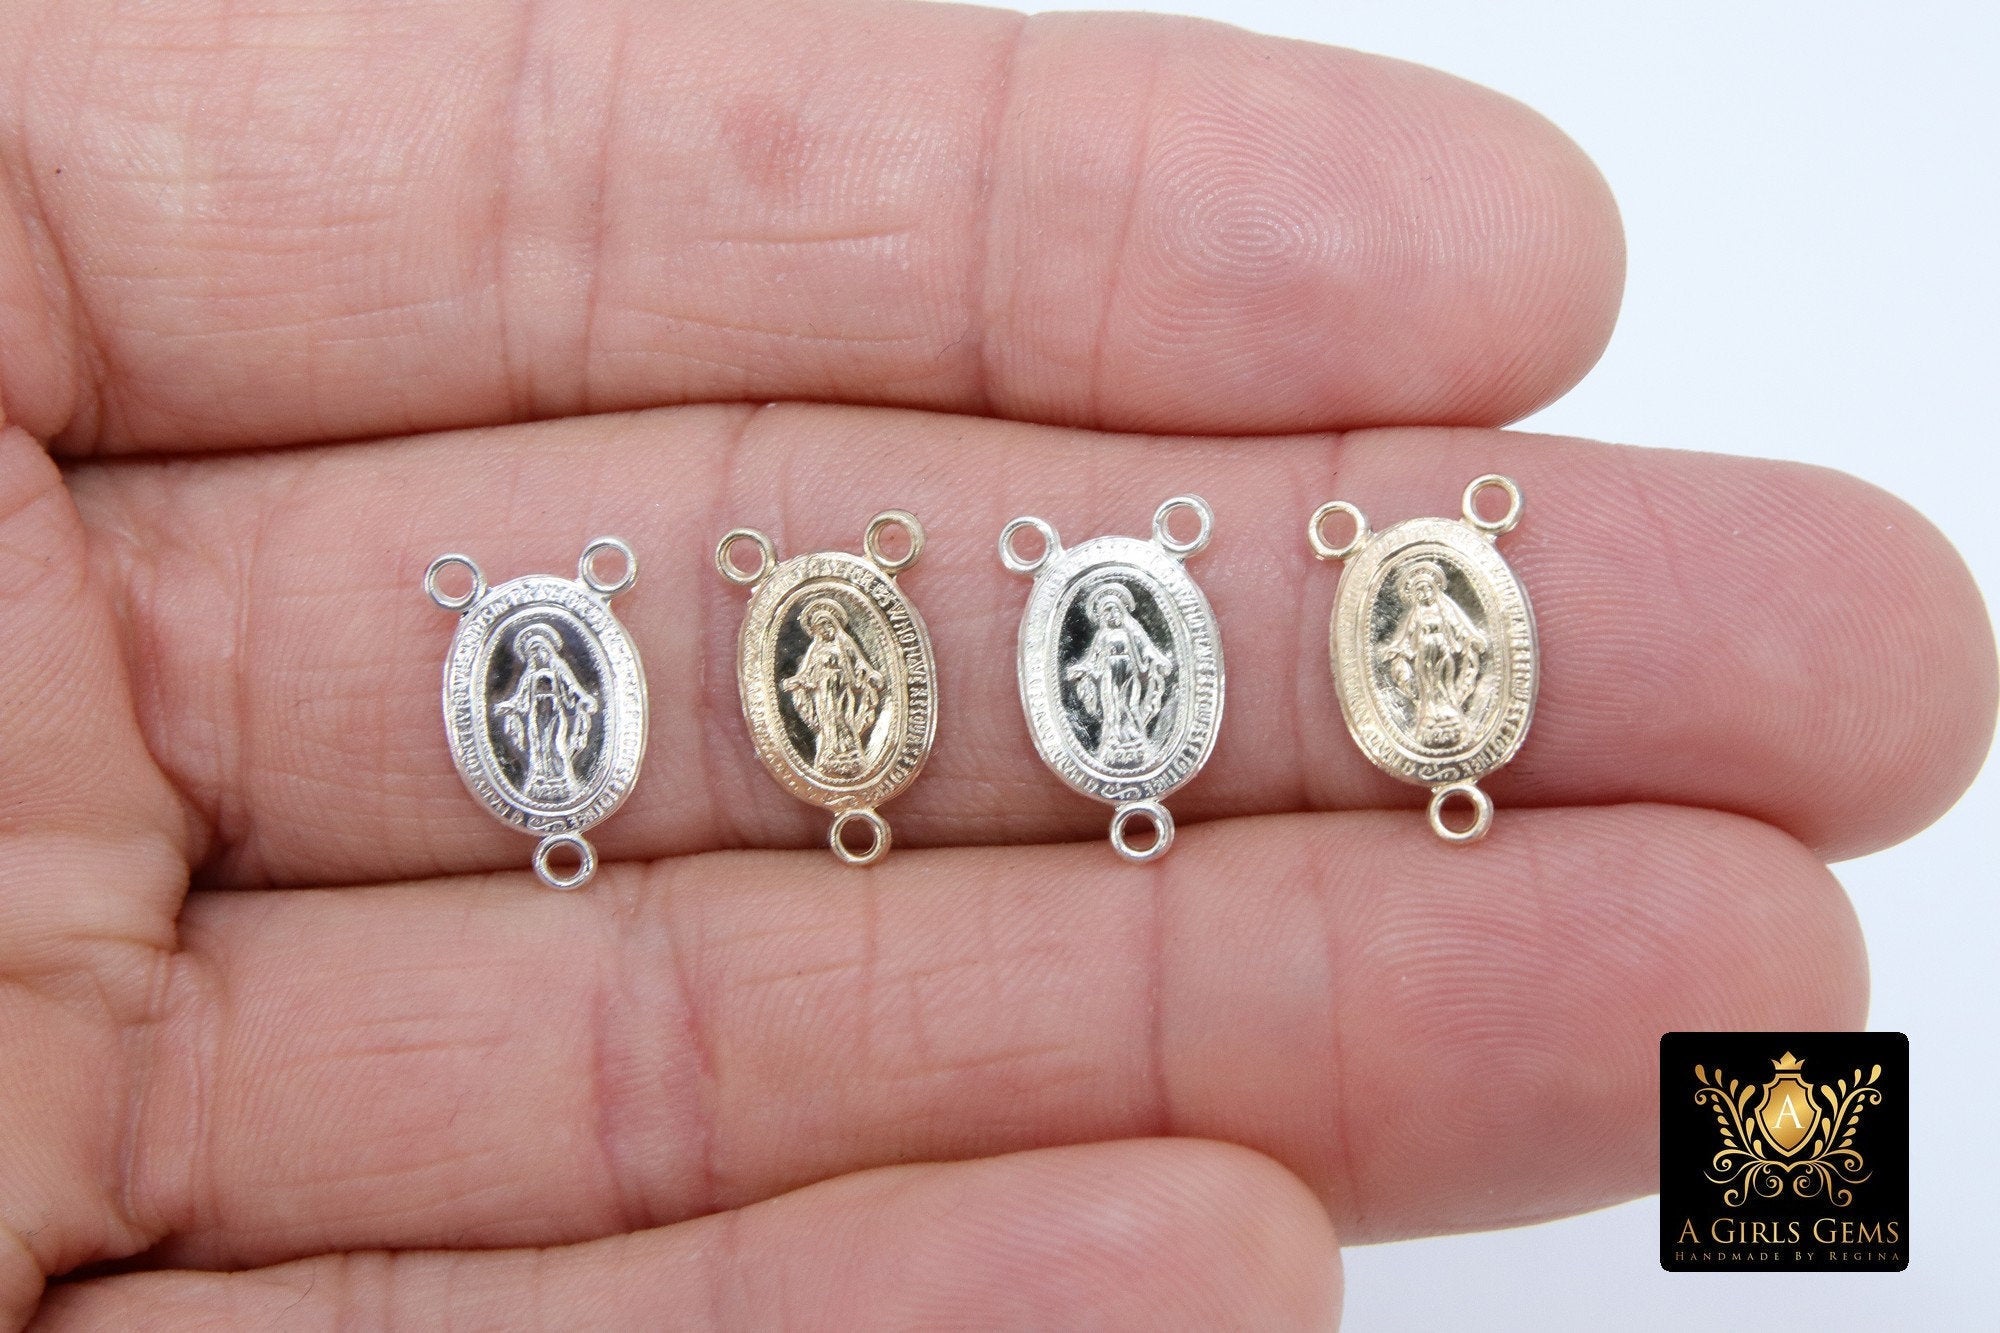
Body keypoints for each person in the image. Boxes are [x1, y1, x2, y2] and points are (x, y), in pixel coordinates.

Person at [0, 1, 1990, 1326]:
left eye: (1119, 628)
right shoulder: (623, 677)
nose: (1114, 644)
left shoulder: (1240, 631)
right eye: (1103, 628)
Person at [1066, 582, 1175, 769]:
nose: (1112, 615)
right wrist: (1081, 670)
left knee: (1131, 705)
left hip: (1129, 673)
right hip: (1109, 673)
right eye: (1107, 612)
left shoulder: (1132, 630)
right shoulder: (1102, 636)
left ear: (1121, 611)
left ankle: (1135, 740)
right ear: (1102, 616)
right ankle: (1113, 742)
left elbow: (1147, 649)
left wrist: (1159, 661)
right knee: (1113, 707)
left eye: (1115, 610)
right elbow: (1093, 659)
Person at [782, 597, 884, 779]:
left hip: (843, 688)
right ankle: (830, 753)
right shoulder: (815, 649)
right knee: (828, 719)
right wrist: (796, 681)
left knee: (844, 719)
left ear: (834, 624)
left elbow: (859, 664)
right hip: (823, 690)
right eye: (820, 627)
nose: (825, 630)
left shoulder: (844, 643)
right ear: (816, 631)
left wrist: (870, 675)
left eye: (827, 625)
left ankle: (849, 753)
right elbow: (807, 672)